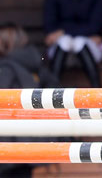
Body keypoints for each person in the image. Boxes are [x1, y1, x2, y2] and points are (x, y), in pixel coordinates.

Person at [0, 23, 58, 178]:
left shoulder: (5, 66)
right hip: (32, 137)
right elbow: (55, 88)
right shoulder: (35, 62)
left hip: (7, 141)